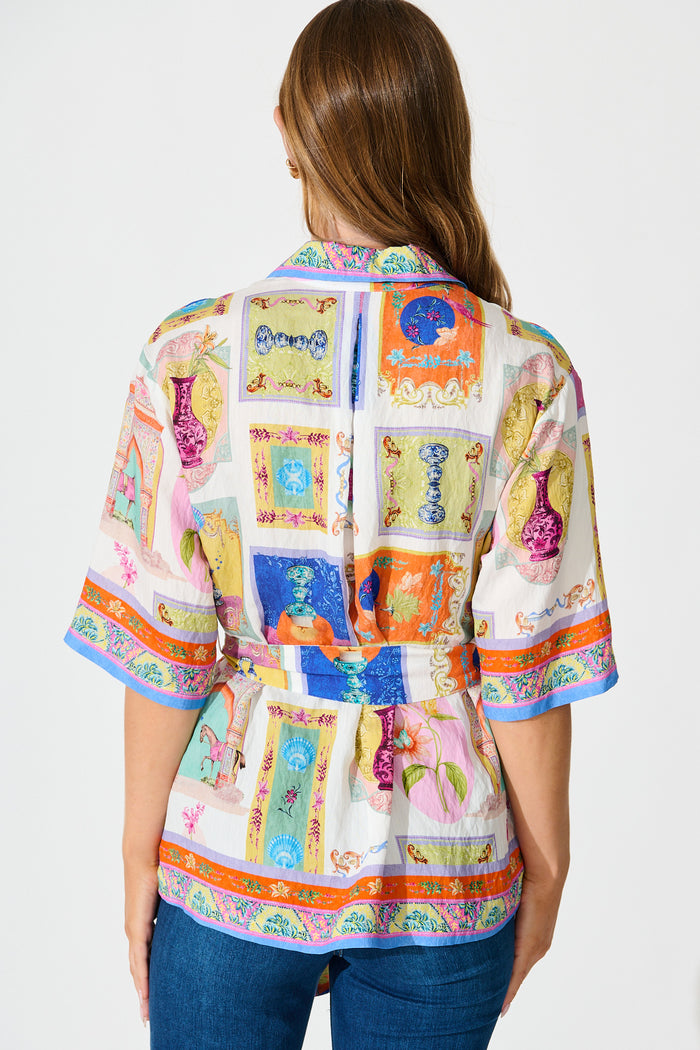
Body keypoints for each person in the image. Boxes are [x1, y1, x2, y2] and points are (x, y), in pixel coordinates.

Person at [65, 1, 618, 1047]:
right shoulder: (526, 371)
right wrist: (547, 866)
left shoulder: (190, 356)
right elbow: (526, 660)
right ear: (443, 130)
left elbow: (165, 643)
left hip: (231, 851)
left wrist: (140, 851)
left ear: (288, 131)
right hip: (442, 869)